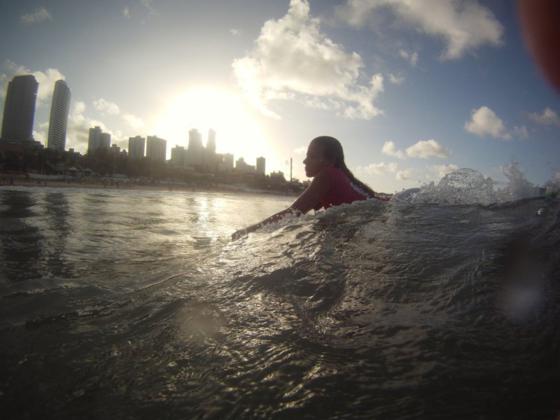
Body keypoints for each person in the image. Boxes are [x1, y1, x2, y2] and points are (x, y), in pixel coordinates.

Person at [232, 136, 389, 239]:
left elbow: (292, 214)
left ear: (330, 160)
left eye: (312, 156)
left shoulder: (327, 174)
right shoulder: (341, 175)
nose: (305, 161)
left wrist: (247, 232)